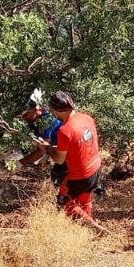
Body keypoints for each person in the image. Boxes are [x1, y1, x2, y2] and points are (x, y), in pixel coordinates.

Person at [35, 91, 102, 223]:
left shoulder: (65, 130)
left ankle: (94, 227)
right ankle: (84, 229)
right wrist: (51, 147)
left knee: (65, 203)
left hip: (80, 176)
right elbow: (76, 146)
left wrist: (46, 148)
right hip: (96, 168)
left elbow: (59, 159)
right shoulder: (87, 118)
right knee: (85, 201)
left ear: (55, 110)